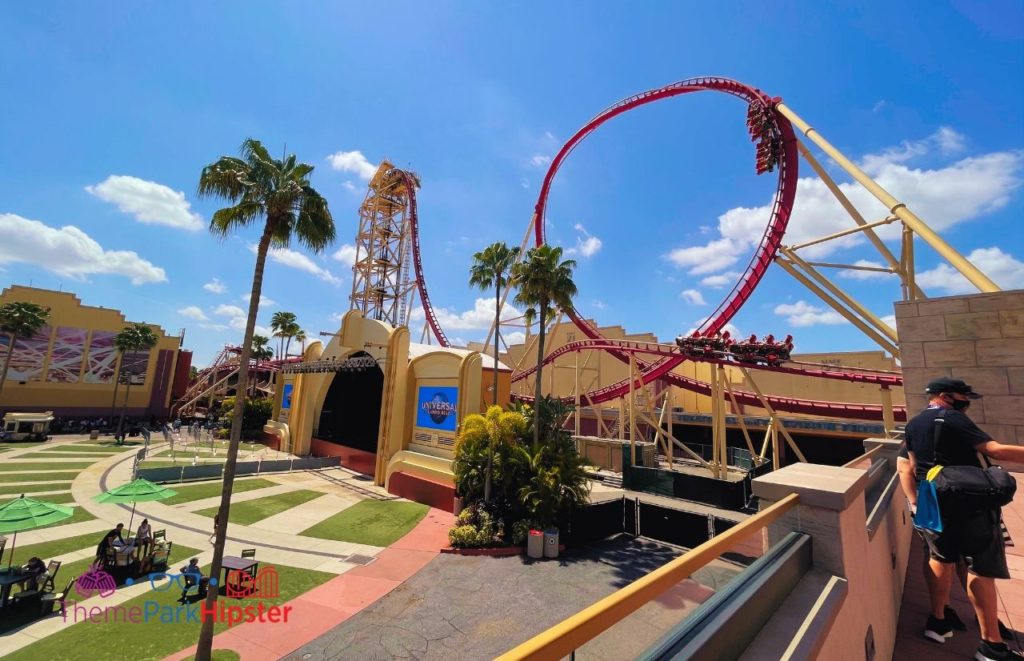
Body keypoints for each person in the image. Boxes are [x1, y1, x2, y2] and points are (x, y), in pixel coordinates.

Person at [898, 377, 1024, 660]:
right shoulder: (953, 418)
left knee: (940, 557)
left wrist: (915, 502)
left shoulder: (914, 424)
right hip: (967, 499)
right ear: (946, 396)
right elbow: (994, 450)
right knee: (980, 566)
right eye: (963, 397)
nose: (966, 403)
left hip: (931, 496)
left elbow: (908, 467)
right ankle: (991, 645)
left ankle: (938, 621)